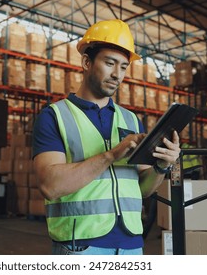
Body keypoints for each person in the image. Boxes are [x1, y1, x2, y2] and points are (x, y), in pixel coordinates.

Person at [32, 19, 181, 255]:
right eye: (109, 63)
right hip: (80, 246)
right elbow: (50, 186)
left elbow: (142, 189)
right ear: (86, 62)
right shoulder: (54, 116)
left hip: (131, 245)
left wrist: (162, 166)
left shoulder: (131, 120)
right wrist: (112, 155)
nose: (117, 74)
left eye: (123, 67)